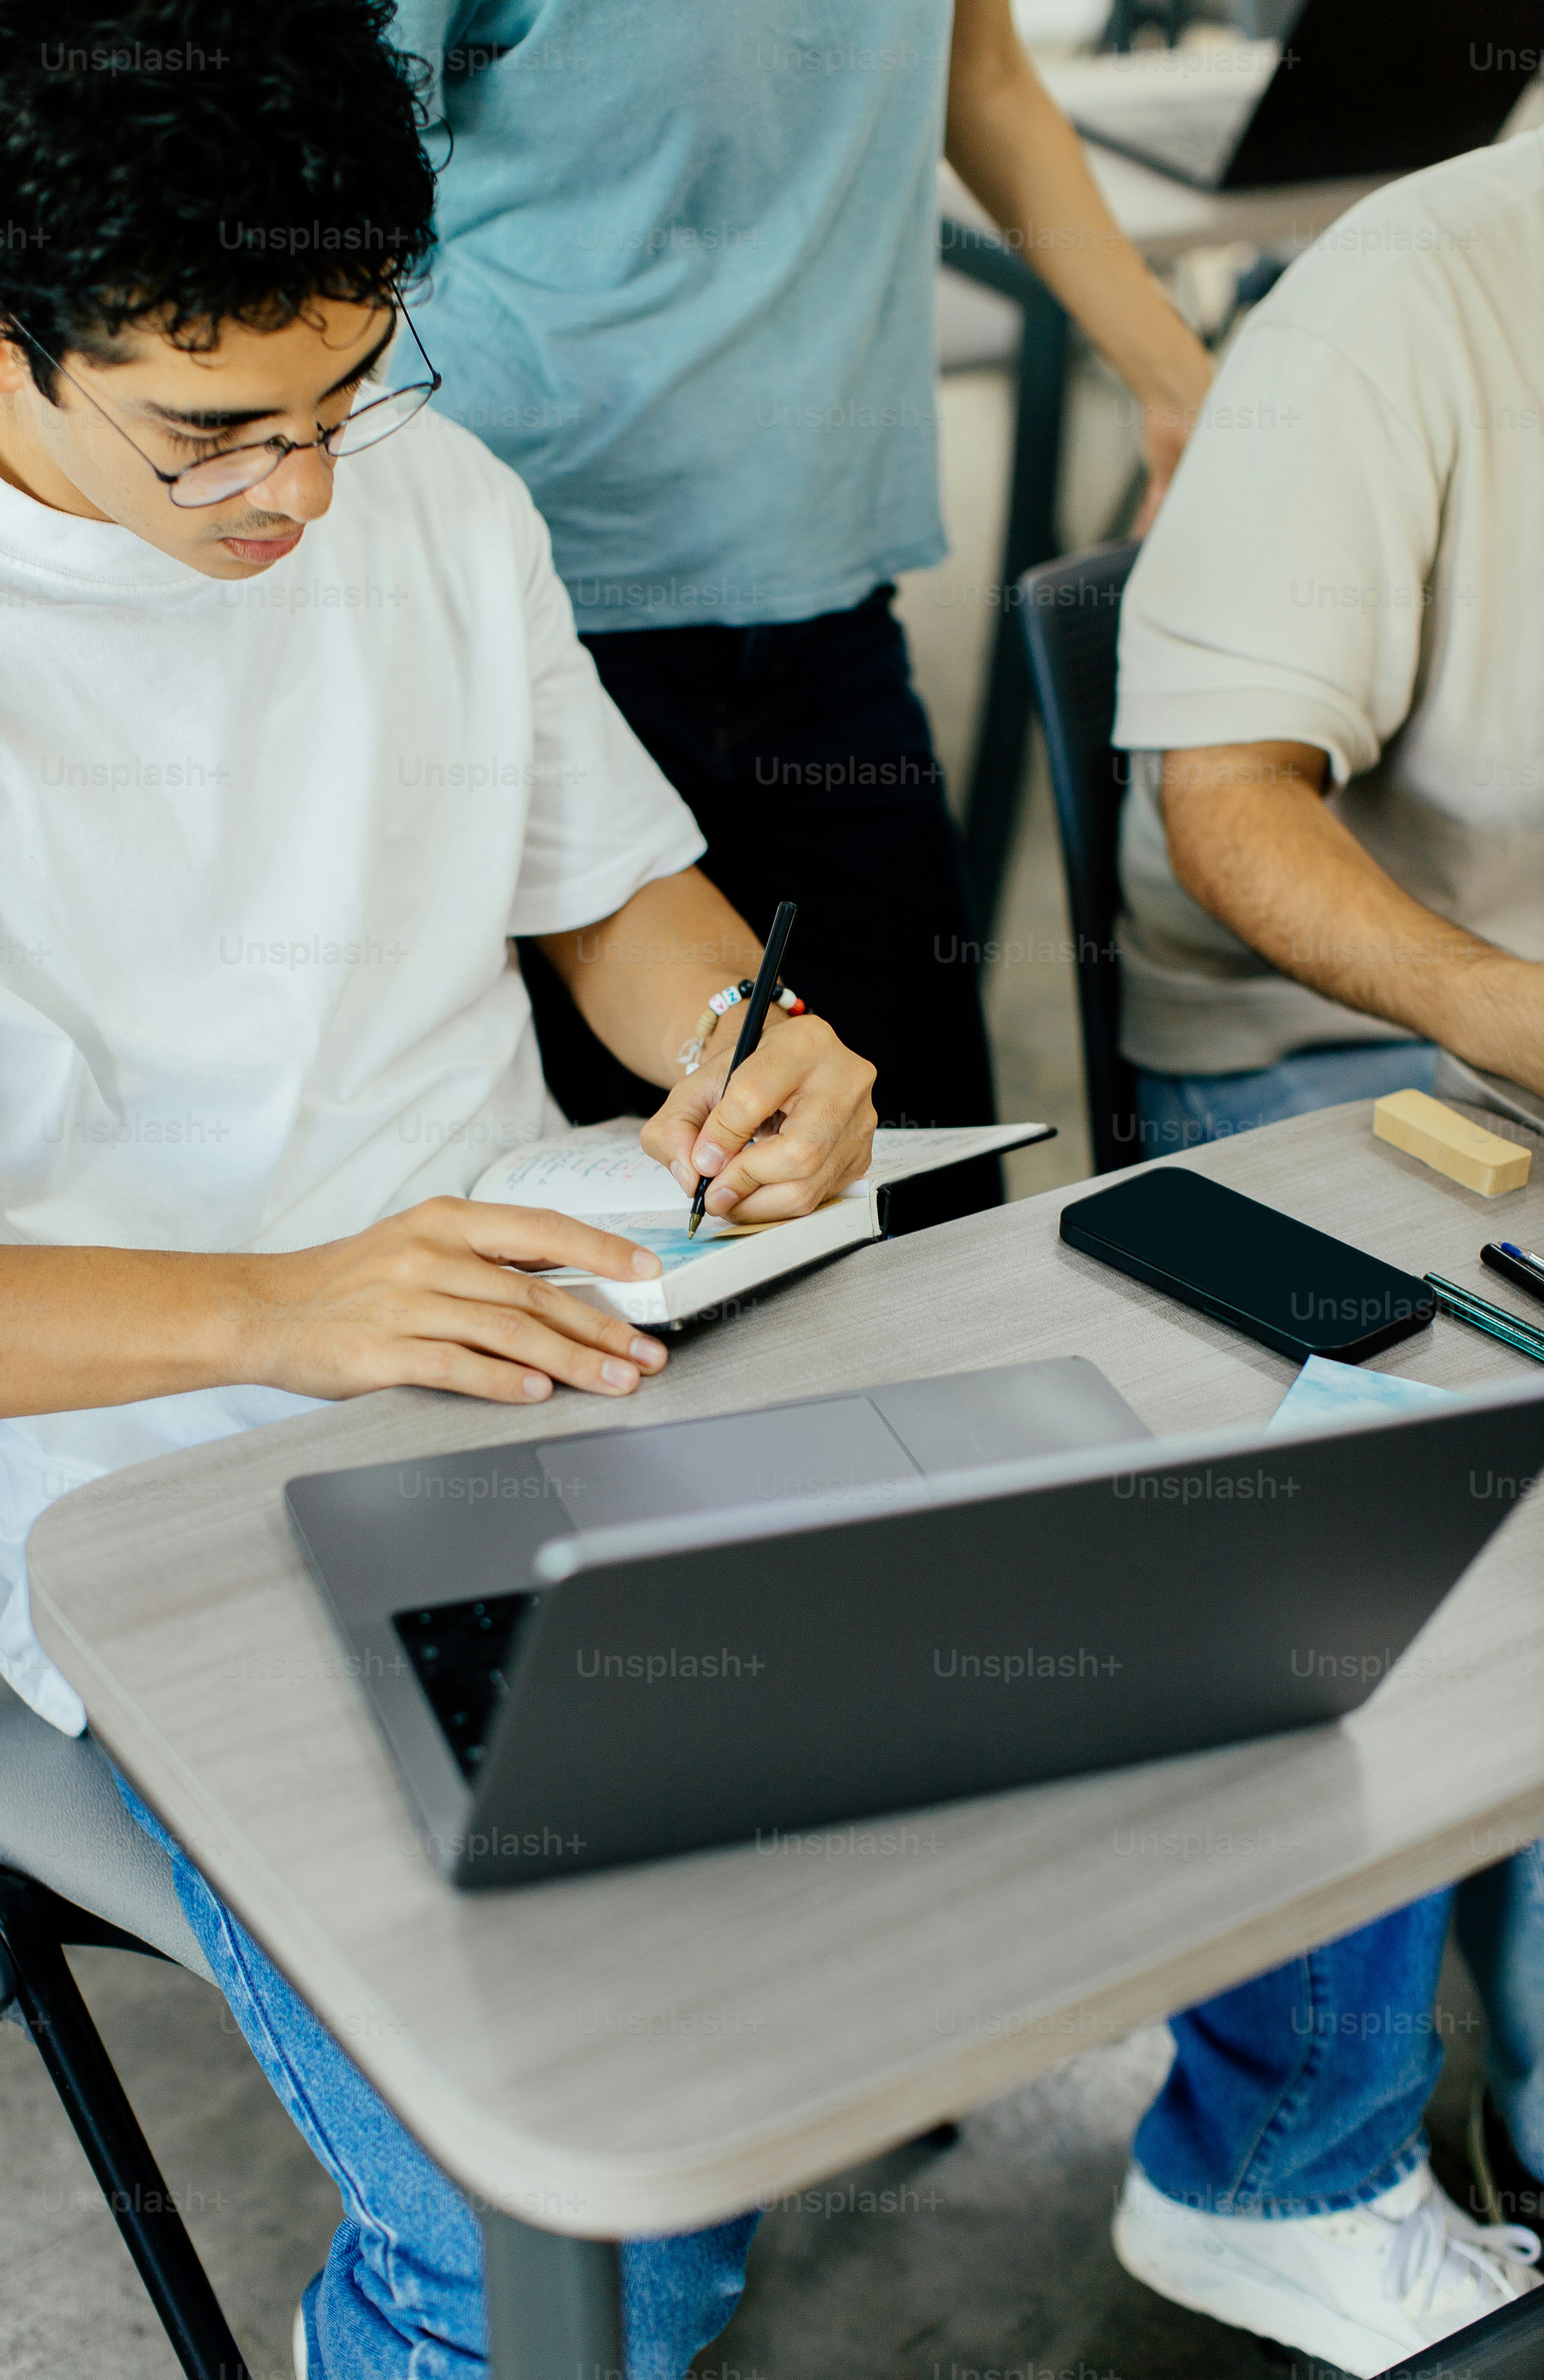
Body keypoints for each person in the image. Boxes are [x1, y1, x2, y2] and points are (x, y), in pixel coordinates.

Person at [0, 7, 878, 2373]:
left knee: (1044, 1845)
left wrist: (742, 1048)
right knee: (569, 2252)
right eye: (216, 434)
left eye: (351, 392)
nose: (306, 493)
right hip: (180, 1505)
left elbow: (616, 905)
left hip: (576, 1361)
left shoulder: (439, 500)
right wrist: (289, 1310)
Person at [388, 0, 1215, 1215]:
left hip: (820, 581)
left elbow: (975, 69)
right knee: (633, 1236)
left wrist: (1180, 382)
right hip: (533, 582)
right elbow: (329, 184)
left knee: (924, 1191)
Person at [1106, 133, 1544, 2375]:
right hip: (1348, 1033)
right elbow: (1228, 802)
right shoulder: (1408, 296)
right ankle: (1280, 2163)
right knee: (1428, 1457)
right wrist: (1512, 1012)